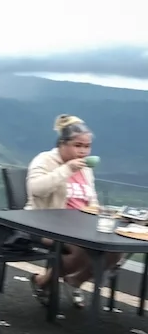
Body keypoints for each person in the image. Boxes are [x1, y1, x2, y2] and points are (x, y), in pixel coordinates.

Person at [26, 114, 120, 306]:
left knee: (114, 250)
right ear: (62, 143)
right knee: (85, 248)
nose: (83, 151)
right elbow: (36, 189)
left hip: (80, 224)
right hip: (45, 222)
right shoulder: (45, 160)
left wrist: (97, 210)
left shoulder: (85, 169)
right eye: (78, 146)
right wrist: (66, 169)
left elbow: (89, 198)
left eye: (87, 146)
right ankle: (42, 281)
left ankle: (75, 280)